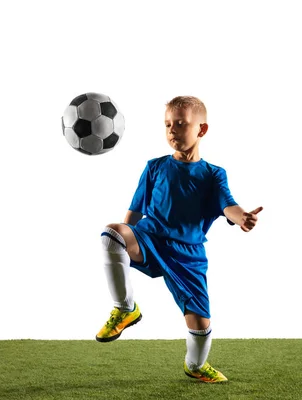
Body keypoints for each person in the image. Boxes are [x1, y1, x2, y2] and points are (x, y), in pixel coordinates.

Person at [96, 95, 263, 383]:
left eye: (181, 124)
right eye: (168, 124)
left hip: (188, 255)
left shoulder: (213, 175)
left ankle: (195, 366)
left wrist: (242, 217)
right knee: (112, 233)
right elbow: (133, 213)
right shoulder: (154, 167)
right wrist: (125, 240)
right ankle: (125, 308)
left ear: (201, 130)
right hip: (150, 239)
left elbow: (228, 206)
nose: (172, 130)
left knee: (200, 325)